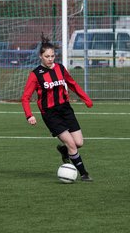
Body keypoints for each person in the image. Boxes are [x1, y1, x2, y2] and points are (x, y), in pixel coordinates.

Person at [21, 34, 93, 181]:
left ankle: (64, 151)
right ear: (41, 56)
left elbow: (72, 84)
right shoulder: (35, 75)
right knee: (72, 144)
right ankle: (84, 174)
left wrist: (86, 99)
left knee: (79, 142)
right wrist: (29, 115)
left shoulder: (60, 69)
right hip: (50, 114)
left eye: (53, 56)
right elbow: (25, 97)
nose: (50, 59)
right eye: (47, 56)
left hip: (66, 109)